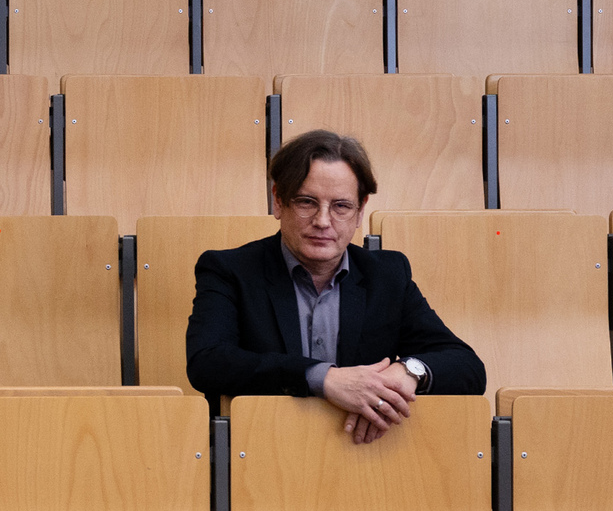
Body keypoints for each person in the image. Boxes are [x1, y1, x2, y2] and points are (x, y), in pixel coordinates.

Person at [186, 130, 486, 444]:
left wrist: (407, 371)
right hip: (263, 449)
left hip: (362, 457)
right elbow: (208, 362)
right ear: (277, 200)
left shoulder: (386, 275)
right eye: (306, 202)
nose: (323, 221)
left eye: (341, 206)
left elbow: (467, 368)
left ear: (360, 211)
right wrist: (324, 379)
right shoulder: (230, 270)